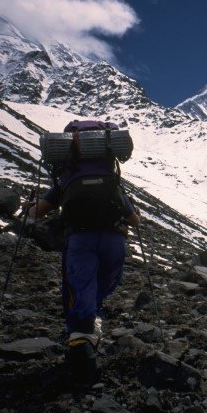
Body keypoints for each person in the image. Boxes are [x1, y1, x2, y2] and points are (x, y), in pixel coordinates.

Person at [29, 124, 140, 383]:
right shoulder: (111, 179)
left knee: (80, 288)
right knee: (102, 286)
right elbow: (134, 220)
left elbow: (36, 214)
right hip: (113, 240)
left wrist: (30, 207)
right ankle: (91, 326)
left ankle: (81, 343)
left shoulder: (66, 179)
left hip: (79, 240)